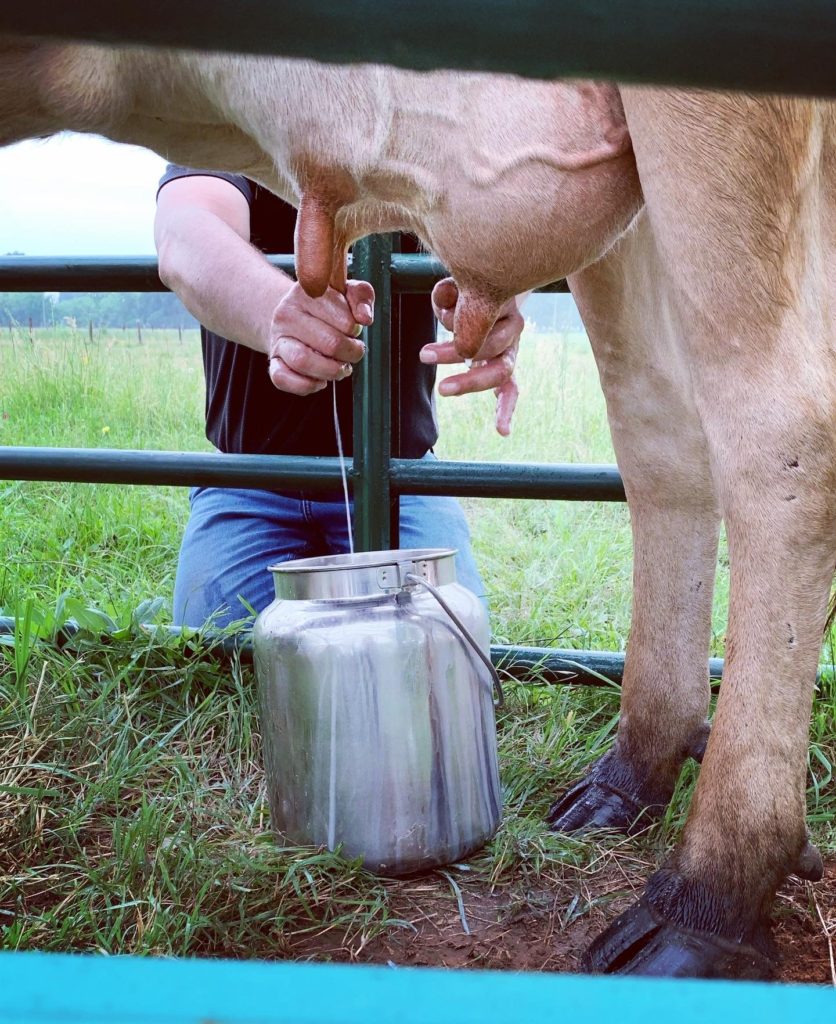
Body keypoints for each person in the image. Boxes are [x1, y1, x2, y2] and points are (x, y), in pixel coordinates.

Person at [154, 166, 523, 628]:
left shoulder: (425, 113)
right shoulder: (237, 101)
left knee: (447, 653)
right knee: (218, 660)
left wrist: (506, 291)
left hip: (400, 481)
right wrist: (278, 315)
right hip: (248, 481)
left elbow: (503, 216)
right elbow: (183, 229)